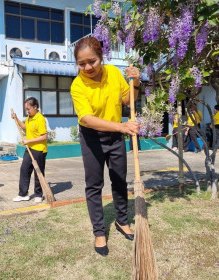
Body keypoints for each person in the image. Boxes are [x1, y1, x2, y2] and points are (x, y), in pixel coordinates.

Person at [70, 37, 140, 256]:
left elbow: (128, 100)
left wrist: (136, 82)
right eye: (81, 64)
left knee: (119, 180)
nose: (87, 67)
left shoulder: (113, 72)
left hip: (116, 136)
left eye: (92, 61)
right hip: (92, 138)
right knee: (94, 185)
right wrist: (120, 127)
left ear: (101, 57)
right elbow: (87, 119)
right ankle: (99, 232)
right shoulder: (77, 85)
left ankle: (121, 221)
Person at [11, 97, 47, 203]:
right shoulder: (29, 117)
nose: (27, 110)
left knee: (38, 172)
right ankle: (23, 194)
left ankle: (38, 195)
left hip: (39, 150)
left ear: (35, 107)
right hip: (30, 148)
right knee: (24, 170)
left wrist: (29, 140)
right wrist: (16, 118)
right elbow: (25, 127)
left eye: (28, 108)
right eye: (26, 109)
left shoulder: (40, 119)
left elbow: (44, 137)